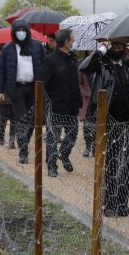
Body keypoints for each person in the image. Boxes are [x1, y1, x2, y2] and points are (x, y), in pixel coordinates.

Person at [79, 39, 129, 217]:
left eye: (122, 45)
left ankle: (122, 202)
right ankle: (109, 202)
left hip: (128, 120)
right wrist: (102, 49)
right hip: (106, 120)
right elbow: (84, 67)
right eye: (115, 45)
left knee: (128, 162)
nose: (118, 48)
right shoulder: (101, 63)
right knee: (111, 162)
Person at [0, 19, 47, 164]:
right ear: (14, 32)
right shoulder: (8, 49)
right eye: (18, 30)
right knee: (21, 118)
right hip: (16, 88)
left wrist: (45, 85)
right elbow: (1, 71)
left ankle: (24, 141)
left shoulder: (36, 47)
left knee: (31, 120)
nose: (21, 33)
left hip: (34, 88)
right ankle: (23, 151)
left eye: (24, 30)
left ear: (28, 32)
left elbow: (44, 66)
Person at [40, 29, 82, 177]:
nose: (74, 42)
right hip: (55, 106)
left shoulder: (72, 59)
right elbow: (42, 84)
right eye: (72, 39)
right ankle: (52, 165)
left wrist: (78, 101)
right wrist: (47, 104)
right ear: (65, 42)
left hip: (71, 106)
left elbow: (75, 83)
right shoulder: (50, 60)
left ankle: (64, 155)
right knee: (53, 136)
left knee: (72, 135)